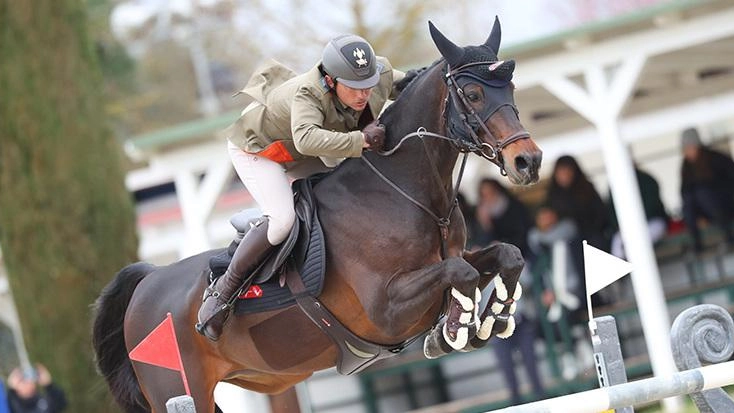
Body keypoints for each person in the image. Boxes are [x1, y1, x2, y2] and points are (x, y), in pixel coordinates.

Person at [196, 34, 405, 340]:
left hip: (298, 149)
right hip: (258, 149)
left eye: (368, 85)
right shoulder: (308, 93)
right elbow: (307, 138)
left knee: (344, 192)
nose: (364, 95)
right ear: (331, 81)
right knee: (283, 221)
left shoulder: (378, 72)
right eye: (354, 87)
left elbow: (414, 84)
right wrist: (361, 140)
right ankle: (222, 293)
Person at [679, 127, 734, 253]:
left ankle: (728, 236)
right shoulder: (686, 166)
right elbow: (684, 192)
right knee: (690, 198)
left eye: (689, 148)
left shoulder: (717, 159)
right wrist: (699, 216)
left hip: (726, 207)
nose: (686, 152)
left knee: (702, 192)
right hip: (705, 213)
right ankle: (697, 244)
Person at [544, 155, 609, 251]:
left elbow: (600, 216)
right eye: (561, 172)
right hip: (564, 244)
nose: (564, 176)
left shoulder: (586, 190)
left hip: (590, 239)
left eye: (567, 171)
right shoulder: (552, 194)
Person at [607, 165, 669, 259]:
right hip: (628, 228)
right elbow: (612, 211)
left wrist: (637, 222)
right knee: (617, 245)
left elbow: (653, 205)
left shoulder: (646, 180)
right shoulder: (616, 183)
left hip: (652, 222)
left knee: (640, 242)